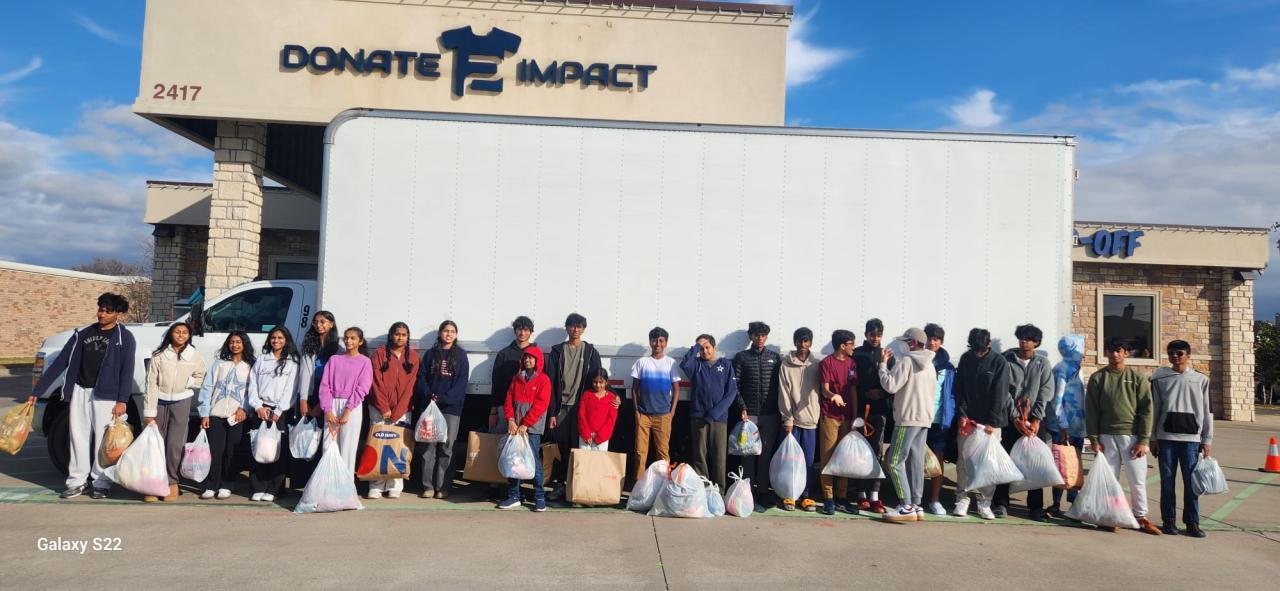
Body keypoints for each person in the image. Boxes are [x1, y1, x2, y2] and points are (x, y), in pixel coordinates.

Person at [30, 293, 135, 500]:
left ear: (118, 314)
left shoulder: (125, 337)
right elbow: (61, 362)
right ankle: (77, 482)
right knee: (77, 437)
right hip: (80, 390)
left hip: (106, 395)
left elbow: (127, 370)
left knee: (104, 441)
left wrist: (122, 400)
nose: (102, 314)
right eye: (100, 309)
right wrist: (37, 391)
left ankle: (101, 483)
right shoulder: (82, 334)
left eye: (108, 311)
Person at [1085, 337, 1159, 535]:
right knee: (1109, 480)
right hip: (1106, 436)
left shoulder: (1137, 378)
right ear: (1106, 353)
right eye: (1111, 350)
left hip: (1132, 437)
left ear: (1127, 353)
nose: (1114, 354)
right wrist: (1094, 439)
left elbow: (1147, 410)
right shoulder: (1098, 378)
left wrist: (1143, 440)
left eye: (1119, 350)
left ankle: (1141, 517)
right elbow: (1091, 411)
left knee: (1137, 479)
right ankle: (1111, 516)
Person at [1151, 339, 1212, 537]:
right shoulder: (1159, 378)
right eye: (1171, 353)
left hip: (1191, 440)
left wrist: (1207, 439)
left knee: (1191, 483)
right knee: (1167, 482)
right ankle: (1169, 521)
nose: (1175, 356)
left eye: (1179, 353)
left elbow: (1207, 410)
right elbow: (1154, 409)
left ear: (1188, 355)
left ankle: (1192, 522)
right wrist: (1153, 437)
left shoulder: (1201, 380)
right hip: (1166, 438)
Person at [994, 324, 1054, 520]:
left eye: (1028, 339)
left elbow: (1045, 392)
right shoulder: (1006, 360)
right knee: (1005, 459)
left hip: (1035, 420)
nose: (1024, 341)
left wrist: (1036, 419)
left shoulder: (1042, 363)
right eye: (1021, 337)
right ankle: (1000, 503)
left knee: (1034, 462)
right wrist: (1015, 417)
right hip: (1010, 420)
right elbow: (1003, 391)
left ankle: (1035, 507)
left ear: (1036, 343)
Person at [951, 328, 1012, 520]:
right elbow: (959, 388)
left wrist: (992, 421)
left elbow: (1000, 393)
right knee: (964, 461)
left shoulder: (999, 362)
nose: (978, 353)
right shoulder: (966, 358)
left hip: (990, 423)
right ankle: (962, 498)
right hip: (969, 420)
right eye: (974, 349)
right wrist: (962, 414)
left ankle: (985, 502)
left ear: (989, 344)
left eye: (981, 350)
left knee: (988, 463)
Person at [142, 321, 206, 502]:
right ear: (171, 334)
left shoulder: (194, 355)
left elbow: (201, 375)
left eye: (184, 332)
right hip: (159, 401)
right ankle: (153, 483)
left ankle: (172, 482)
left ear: (189, 336)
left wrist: (188, 383)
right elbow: (150, 383)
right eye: (177, 331)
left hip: (181, 400)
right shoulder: (159, 355)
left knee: (175, 444)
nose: (181, 335)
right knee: (155, 443)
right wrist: (149, 411)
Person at [544, 313, 603, 501]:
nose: (575, 329)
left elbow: (600, 379)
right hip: (561, 408)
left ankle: (577, 486)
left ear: (583, 329)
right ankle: (559, 484)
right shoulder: (557, 351)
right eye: (572, 326)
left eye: (579, 326)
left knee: (579, 447)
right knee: (561, 447)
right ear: (567, 328)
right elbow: (550, 383)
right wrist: (552, 412)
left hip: (581, 408)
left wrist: (614, 396)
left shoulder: (591, 352)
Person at [196, 331, 254, 500]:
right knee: (215, 450)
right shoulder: (219, 364)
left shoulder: (251, 365)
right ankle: (211, 485)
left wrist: (244, 409)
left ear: (244, 344)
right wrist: (204, 413)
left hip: (237, 416)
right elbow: (207, 388)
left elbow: (252, 391)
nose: (235, 345)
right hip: (216, 414)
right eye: (232, 342)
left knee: (231, 451)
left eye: (238, 342)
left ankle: (227, 484)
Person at [416, 320, 469, 499]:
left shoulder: (461, 356)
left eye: (452, 331)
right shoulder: (431, 354)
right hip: (430, 407)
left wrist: (444, 398)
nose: (449, 334)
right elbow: (421, 377)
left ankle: (443, 487)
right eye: (446, 331)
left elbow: (461, 383)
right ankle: (428, 486)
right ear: (440, 333)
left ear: (456, 335)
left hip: (451, 409)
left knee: (447, 447)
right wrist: (429, 395)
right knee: (428, 447)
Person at [731, 321, 782, 508]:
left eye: (763, 335)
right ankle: (747, 492)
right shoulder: (741, 357)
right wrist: (742, 407)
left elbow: (781, 386)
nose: (759, 339)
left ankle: (762, 491)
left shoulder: (774, 358)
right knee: (747, 454)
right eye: (756, 335)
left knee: (765, 454)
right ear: (750, 336)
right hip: (749, 415)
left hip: (770, 414)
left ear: (766, 337)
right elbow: (735, 385)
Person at [247, 326, 300, 501]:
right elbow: (252, 385)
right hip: (261, 409)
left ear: (286, 340)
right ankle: (258, 487)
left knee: (277, 450)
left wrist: (279, 410)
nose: (276, 341)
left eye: (280, 338)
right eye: (273, 338)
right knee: (259, 447)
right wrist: (258, 406)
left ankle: (275, 489)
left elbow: (291, 389)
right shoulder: (262, 360)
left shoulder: (292, 362)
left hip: (280, 411)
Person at [367, 322, 419, 499]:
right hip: (379, 409)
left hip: (402, 410)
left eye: (404, 335)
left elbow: (411, 386)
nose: (400, 337)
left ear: (407, 337)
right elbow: (375, 382)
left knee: (399, 446)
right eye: (397, 334)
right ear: (391, 335)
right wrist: (383, 407)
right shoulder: (379, 354)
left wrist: (398, 411)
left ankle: (395, 484)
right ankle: (376, 485)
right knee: (378, 445)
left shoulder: (413, 357)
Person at [682, 334, 738, 493]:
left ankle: (719, 491)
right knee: (700, 456)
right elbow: (685, 364)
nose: (704, 351)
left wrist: (714, 413)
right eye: (701, 348)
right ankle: (703, 490)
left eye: (707, 347)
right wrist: (695, 347)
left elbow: (731, 392)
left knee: (719, 456)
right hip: (698, 417)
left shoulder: (725, 365)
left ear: (714, 348)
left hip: (719, 418)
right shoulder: (696, 365)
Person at [499, 346, 552, 512]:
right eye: (525, 357)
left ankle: (539, 497)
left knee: (533, 461)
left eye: (531, 358)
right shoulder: (516, 378)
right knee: (514, 461)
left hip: (532, 429)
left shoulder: (543, 380)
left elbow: (541, 405)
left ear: (538, 360)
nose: (527, 360)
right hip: (515, 428)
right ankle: (514, 496)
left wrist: (526, 424)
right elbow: (508, 399)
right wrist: (510, 419)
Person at [292, 311, 339, 487]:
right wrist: (303, 399)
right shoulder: (308, 345)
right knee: (304, 437)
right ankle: (301, 483)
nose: (319, 325)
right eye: (316, 322)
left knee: (321, 440)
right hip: (308, 395)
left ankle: (318, 484)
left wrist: (322, 404)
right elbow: (303, 375)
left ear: (331, 324)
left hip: (327, 398)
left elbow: (336, 379)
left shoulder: (338, 349)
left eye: (323, 321)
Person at [777, 327, 822, 512]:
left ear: (810, 343)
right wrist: (787, 419)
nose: (803, 345)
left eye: (806, 341)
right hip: (793, 422)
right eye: (799, 341)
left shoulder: (817, 365)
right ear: (794, 342)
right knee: (791, 461)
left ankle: (806, 496)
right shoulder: (786, 365)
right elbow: (784, 394)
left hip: (811, 421)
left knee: (809, 462)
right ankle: (789, 495)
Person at [320, 327, 373, 475]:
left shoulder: (365, 362)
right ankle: (327, 482)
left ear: (360, 341)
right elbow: (325, 386)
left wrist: (348, 410)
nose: (348, 341)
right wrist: (328, 410)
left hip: (352, 406)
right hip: (332, 404)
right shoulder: (334, 360)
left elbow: (363, 388)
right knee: (328, 445)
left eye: (353, 338)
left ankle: (345, 484)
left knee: (348, 447)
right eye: (346, 338)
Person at [631, 327, 681, 485]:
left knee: (663, 453)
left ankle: (664, 485)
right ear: (650, 342)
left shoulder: (670, 363)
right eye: (654, 340)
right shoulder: (642, 362)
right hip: (643, 416)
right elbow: (634, 389)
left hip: (663, 416)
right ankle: (639, 486)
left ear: (666, 343)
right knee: (640, 453)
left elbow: (676, 389)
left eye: (661, 340)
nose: (657, 343)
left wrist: (672, 412)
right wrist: (636, 411)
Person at [851, 318, 890, 513]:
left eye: (879, 335)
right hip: (860, 411)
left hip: (880, 412)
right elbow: (851, 383)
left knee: (876, 453)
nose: (875, 338)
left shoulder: (887, 355)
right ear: (866, 334)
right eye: (872, 334)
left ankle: (875, 495)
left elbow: (893, 384)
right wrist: (864, 392)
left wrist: (881, 393)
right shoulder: (856, 354)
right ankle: (861, 495)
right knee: (860, 453)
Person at [817, 329, 857, 516]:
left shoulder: (852, 363)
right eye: (851, 344)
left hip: (847, 419)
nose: (853, 347)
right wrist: (834, 396)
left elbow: (854, 391)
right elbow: (825, 389)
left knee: (845, 458)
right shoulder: (826, 363)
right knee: (828, 458)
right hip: (830, 416)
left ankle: (842, 497)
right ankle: (828, 499)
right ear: (842, 346)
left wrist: (855, 417)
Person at [1048, 334, 1087, 517]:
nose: (1083, 352)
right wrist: (1063, 425)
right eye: (1081, 348)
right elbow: (1056, 401)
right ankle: (1056, 503)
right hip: (1063, 428)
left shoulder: (1078, 369)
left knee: (1075, 466)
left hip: (1078, 427)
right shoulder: (1061, 369)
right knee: (1061, 464)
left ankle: (1074, 504)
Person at [922, 323, 956, 516]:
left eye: (935, 339)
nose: (931, 342)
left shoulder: (948, 367)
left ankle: (934, 500)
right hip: (918, 418)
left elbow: (951, 394)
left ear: (941, 342)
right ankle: (913, 499)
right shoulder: (917, 360)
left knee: (937, 459)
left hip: (938, 420)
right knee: (914, 459)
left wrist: (950, 415)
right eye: (929, 338)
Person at [490, 316, 535, 432]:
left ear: (531, 332)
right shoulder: (504, 354)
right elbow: (496, 384)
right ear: (515, 331)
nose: (522, 333)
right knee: (500, 440)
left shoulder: (536, 355)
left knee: (523, 443)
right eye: (519, 329)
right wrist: (493, 412)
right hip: (504, 407)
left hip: (528, 408)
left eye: (526, 330)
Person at [578, 369, 619, 450]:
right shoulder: (586, 395)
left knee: (600, 458)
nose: (598, 385)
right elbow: (581, 415)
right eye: (595, 382)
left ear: (606, 382)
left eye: (601, 382)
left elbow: (611, 419)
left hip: (602, 439)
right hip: (585, 437)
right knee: (583, 458)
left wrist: (600, 437)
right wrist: (586, 434)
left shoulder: (611, 398)